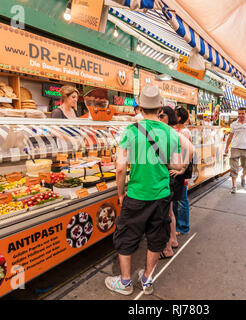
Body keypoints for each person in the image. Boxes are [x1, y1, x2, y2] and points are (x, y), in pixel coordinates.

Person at [105, 86, 184, 296]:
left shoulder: (131, 131)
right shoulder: (171, 133)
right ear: (160, 108)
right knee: (157, 237)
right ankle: (147, 280)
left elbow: (120, 167)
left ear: (139, 107)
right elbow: (177, 165)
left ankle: (124, 282)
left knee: (127, 237)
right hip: (161, 195)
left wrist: (121, 193)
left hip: (137, 195)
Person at [157, 107, 192, 259]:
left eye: (161, 115)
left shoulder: (173, 132)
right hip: (170, 176)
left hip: (169, 176)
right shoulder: (170, 132)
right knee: (170, 210)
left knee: (166, 212)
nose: (159, 117)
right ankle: (173, 240)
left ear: (168, 117)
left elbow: (190, 150)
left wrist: (182, 169)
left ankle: (168, 246)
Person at [224, 107, 246, 193]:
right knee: (234, 168)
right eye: (239, 113)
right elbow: (230, 137)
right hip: (235, 148)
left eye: (242, 113)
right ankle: (234, 186)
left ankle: (243, 177)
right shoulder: (234, 124)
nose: (241, 115)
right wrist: (226, 148)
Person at [174, 106, 193, 236]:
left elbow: (188, 152)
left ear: (179, 117)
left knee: (182, 199)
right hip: (177, 168)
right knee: (177, 198)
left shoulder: (184, 132)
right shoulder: (176, 130)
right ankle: (177, 225)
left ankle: (183, 227)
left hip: (182, 168)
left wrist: (184, 170)